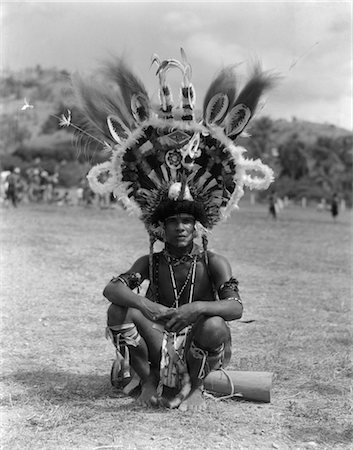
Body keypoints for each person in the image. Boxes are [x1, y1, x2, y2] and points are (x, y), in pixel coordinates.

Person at [72, 49, 277, 410]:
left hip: (198, 341)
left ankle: (195, 387)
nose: (181, 228)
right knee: (118, 313)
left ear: (198, 227)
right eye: (173, 222)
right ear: (160, 229)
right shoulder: (148, 263)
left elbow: (235, 308)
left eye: (186, 221)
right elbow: (111, 290)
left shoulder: (213, 262)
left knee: (214, 325)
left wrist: (196, 308)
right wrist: (146, 303)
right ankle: (150, 379)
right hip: (156, 339)